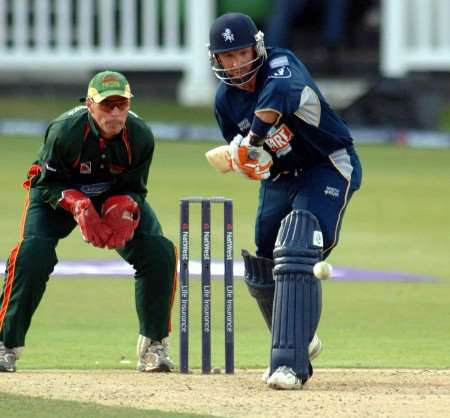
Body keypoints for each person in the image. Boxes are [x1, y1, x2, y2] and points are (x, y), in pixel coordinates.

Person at [208, 13, 362, 389]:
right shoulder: (225, 102)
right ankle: (297, 336)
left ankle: (289, 365)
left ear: (256, 48)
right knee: (263, 261)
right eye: (226, 57)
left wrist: (252, 141)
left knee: (297, 245)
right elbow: (257, 162)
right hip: (281, 176)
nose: (236, 64)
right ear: (216, 60)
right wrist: (246, 161)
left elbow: (274, 104)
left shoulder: (282, 65)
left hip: (326, 164)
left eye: (241, 53)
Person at [0, 71, 177, 373]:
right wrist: (77, 203)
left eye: (122, 104)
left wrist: (124, 205)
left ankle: (154, 346)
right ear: (90, 105)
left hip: (112, 194)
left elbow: (136, 187)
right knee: (33, 255)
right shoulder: (65, 131)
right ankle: (5, 344)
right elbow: (45, 184)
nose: (116, 112)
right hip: (58, 196)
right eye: (107, 105)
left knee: (159, 253)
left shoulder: (140, 136)